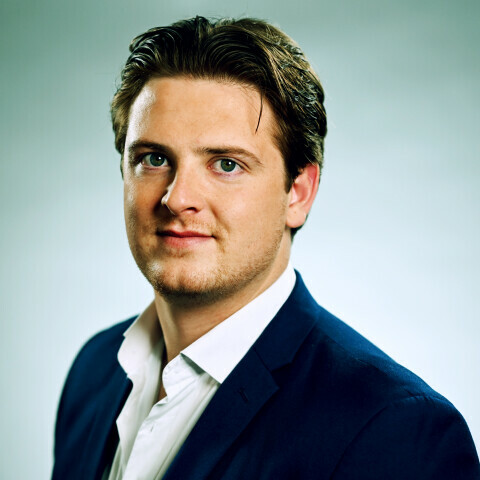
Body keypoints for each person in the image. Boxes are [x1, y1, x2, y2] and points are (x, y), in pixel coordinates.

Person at [52, 16, 480, 480]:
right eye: (153, 159)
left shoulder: (396, 430)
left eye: (226, 164)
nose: (177, 198)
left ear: (298, 192)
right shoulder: (94, 372)